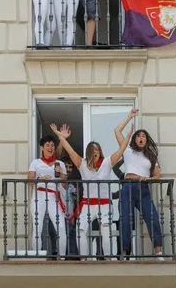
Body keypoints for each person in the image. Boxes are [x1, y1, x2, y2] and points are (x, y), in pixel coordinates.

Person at [50, 123, 131, 260]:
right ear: (89, 151)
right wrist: (61, 136)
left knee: (107, 231)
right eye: (93, 149)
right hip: (87, 205)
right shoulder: (82, 164)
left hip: (105, 204)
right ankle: (84, 259)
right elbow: (70, 151)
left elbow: (121, 151)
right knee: (80, 231)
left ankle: (109, 259)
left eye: (97, 149)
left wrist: (127, 137)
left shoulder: (107, 162)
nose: (96, 152)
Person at [115, 109, 164, 259]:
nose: (141, 138)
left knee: (153, 218)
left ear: (146, 140)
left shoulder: (151, 156)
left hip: (144, 189)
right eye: (138, 136)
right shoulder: (128, 151)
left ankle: (159, 252)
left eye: (143, 136)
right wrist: (129, 117)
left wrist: (148, 179)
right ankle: (125, 253)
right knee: (125, 220)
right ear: (134, 140)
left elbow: (157, 175)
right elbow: (117, 131)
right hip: (128, 186)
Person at [28, 135, 68, 257]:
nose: (50, 148)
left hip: (53, 196)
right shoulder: (36, 162)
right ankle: (36, 256)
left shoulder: (60, 163)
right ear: (42, 147)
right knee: (37, 226)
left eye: (52, 145)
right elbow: (29, 182)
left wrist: (62, 175)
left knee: (60, 226)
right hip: (39, 195)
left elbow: (65, 186)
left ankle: (61, 257)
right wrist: (40, 178)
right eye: (47, 145)